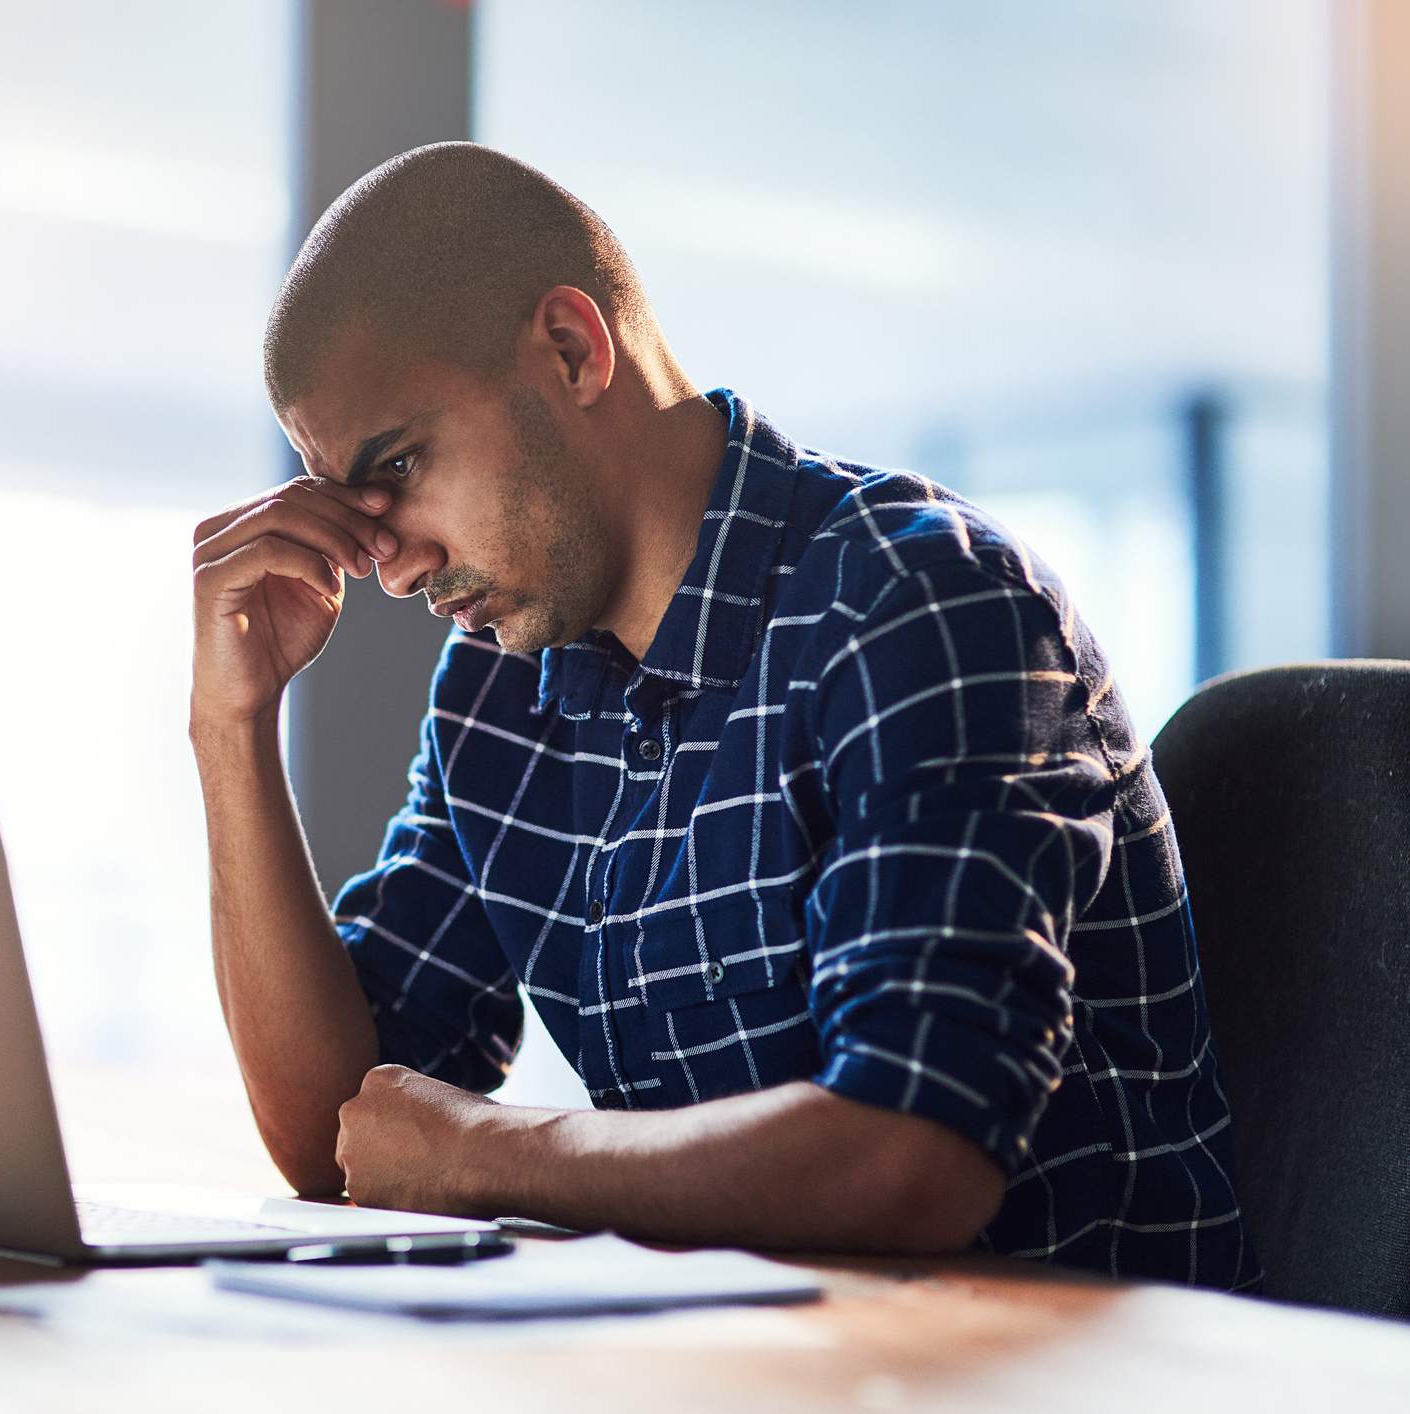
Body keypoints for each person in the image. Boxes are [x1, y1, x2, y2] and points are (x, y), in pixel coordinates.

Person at [188, 142, 1255, 1289]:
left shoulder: (916, 605)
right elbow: (344, 1140)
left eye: (399, 464)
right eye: (354, 503)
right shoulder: (501, 693)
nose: (392, 570)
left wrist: (486, 1153)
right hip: (746, 1364)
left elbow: (913, 1154)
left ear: (570, 348)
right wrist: (227, 726)